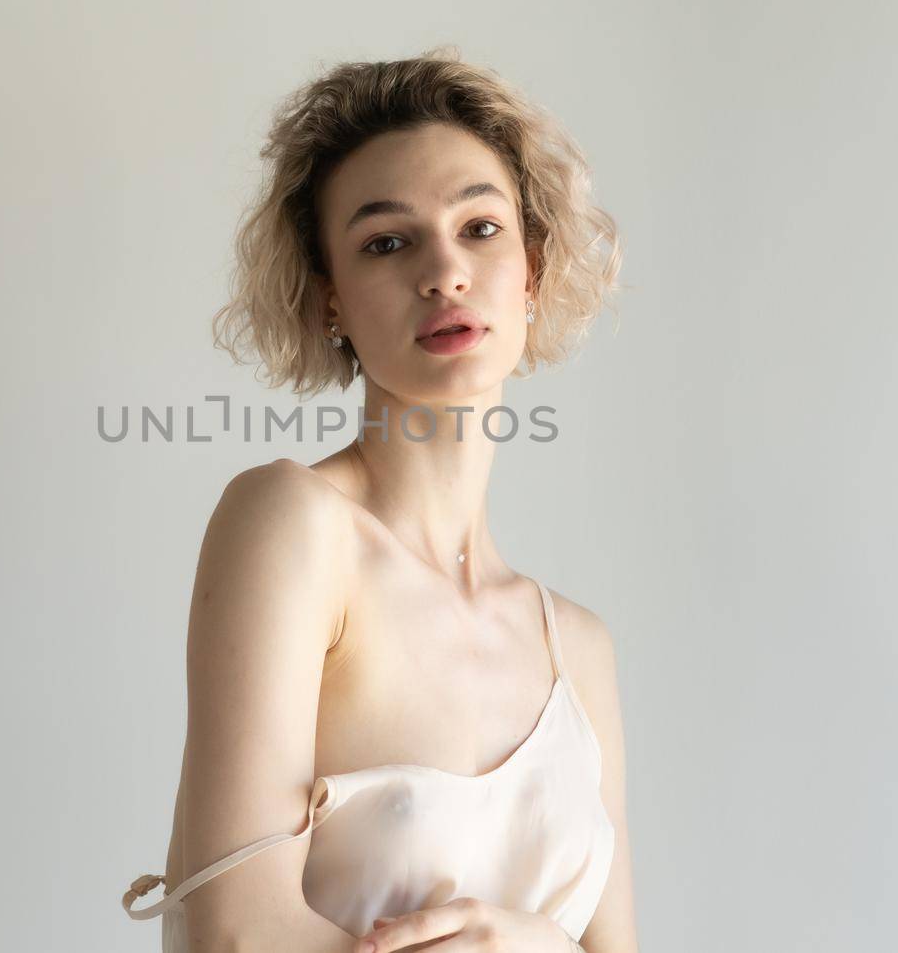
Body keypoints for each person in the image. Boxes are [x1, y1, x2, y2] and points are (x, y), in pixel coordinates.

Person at [119, 47, 639, 952]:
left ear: (534, 268)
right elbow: (230, 936)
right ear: (331, 302)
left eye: (480, 228)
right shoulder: (290, 526)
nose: (444, 271)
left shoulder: (578, 649)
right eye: (387, 242)